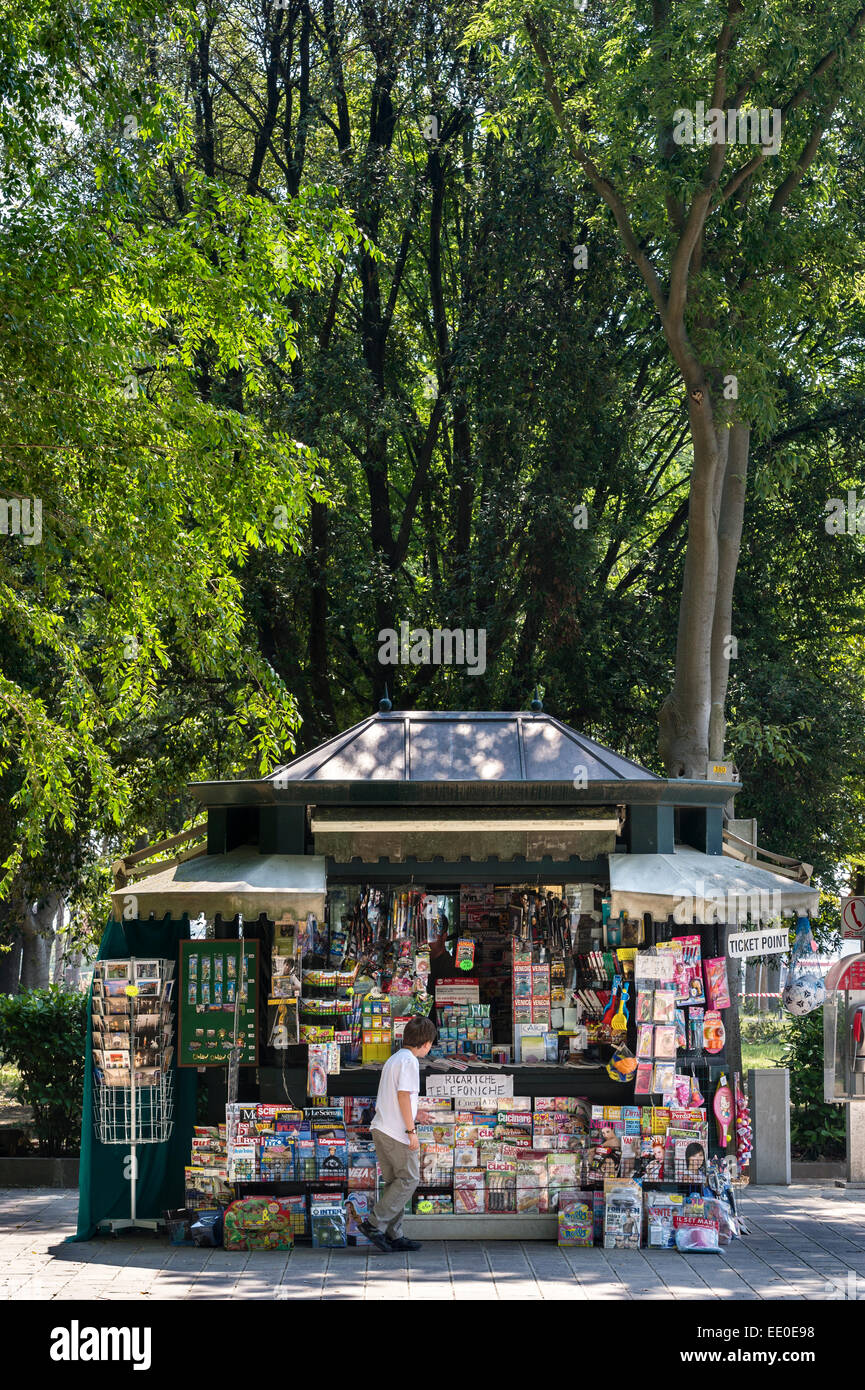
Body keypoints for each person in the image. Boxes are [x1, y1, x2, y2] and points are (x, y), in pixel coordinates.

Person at [356, 1015, 437, 1253]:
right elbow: (403, 1095)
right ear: (426, 1043)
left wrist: (415, 1113)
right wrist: (411, 1131)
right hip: (396, 1133)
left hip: (382, 1129)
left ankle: (394, 1233)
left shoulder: (395, 1058)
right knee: (409, 1179)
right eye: (430, 1044)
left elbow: (399, 1097)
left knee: (395, 1183)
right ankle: (374, 1224)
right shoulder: (410, 1062)